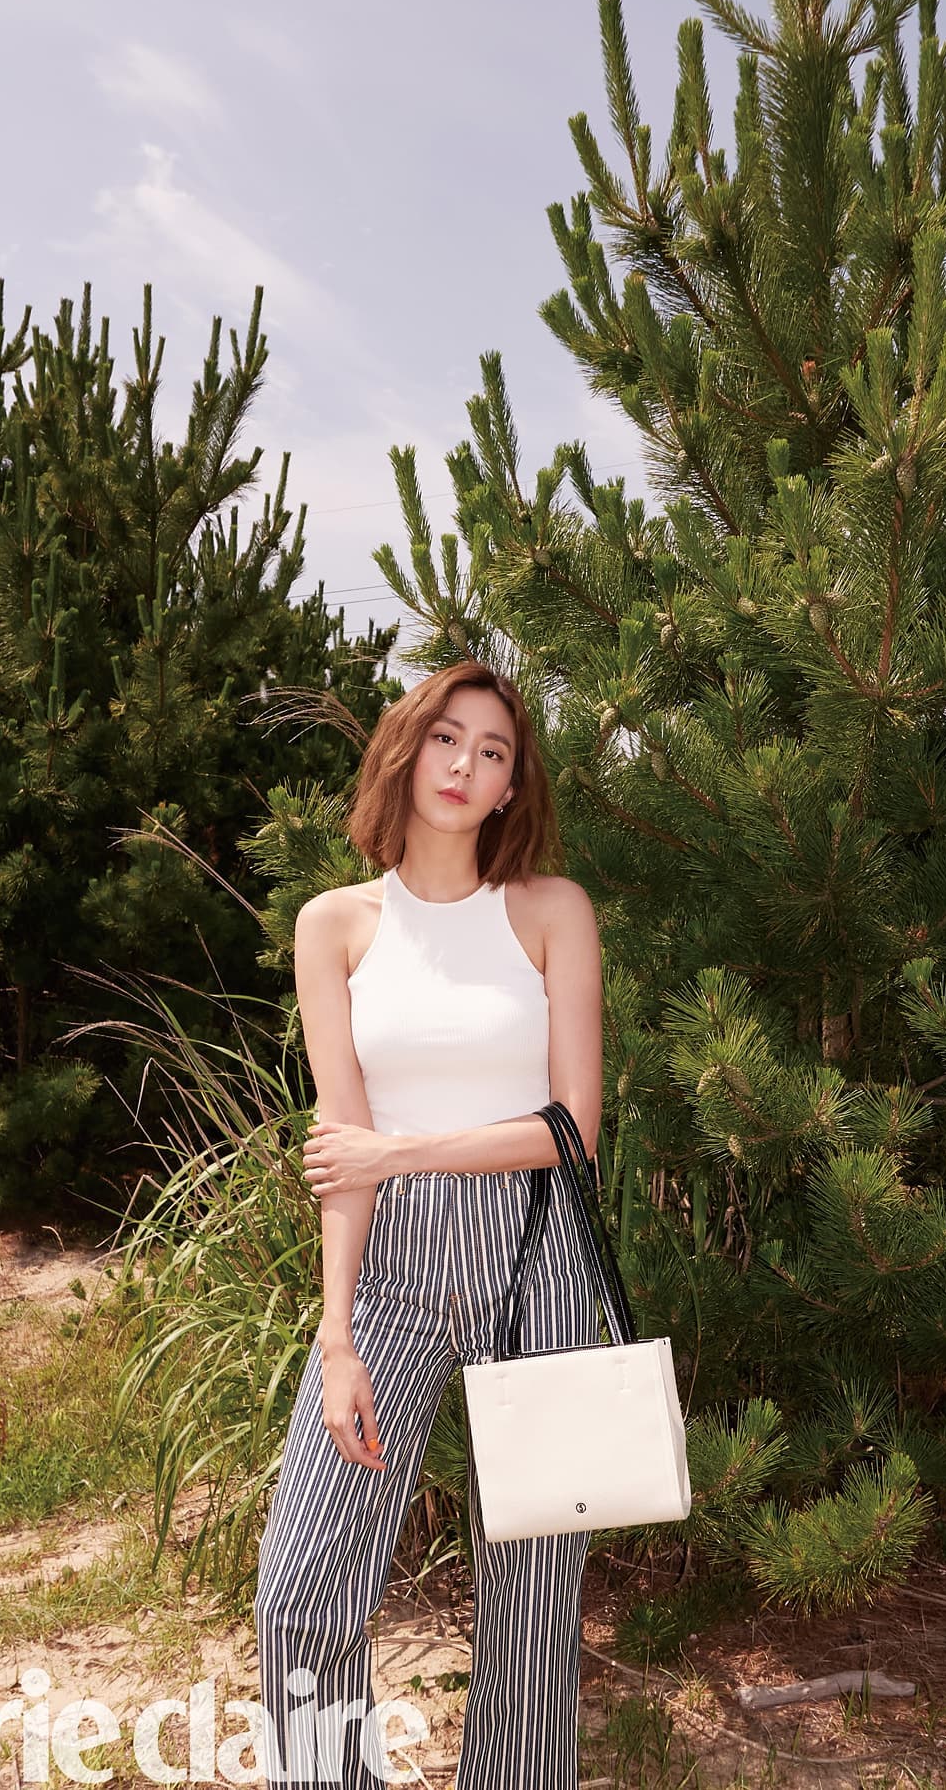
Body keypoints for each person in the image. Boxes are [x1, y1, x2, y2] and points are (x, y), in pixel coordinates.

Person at [254, 659, 605, 1788]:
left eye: (493, 751)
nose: (464, 765)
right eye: (447, 737)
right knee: (301, 1586)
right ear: (406, 752)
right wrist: (336, 1336)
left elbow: (574, 1128)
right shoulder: (334, 925)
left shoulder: (550, 911)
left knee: (533, 1598)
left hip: (537, 1255)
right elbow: (341, 1144)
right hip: (391, 1266)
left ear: (511, 786)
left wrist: (401, 1151)